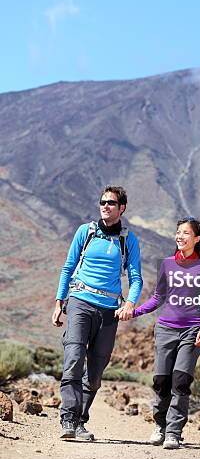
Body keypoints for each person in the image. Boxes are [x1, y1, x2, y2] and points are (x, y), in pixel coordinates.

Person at [52, 185, 143, 441]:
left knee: (94, 373)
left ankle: (81, 420)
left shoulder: (128, 240)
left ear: (121, 208)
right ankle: (68, 419)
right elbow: (68, 266)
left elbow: (136, 278)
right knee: (73, 359)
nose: (105, 206)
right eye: (102, 202)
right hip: (80, 302)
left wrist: (130, 303)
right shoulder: (86, 232)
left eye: (111, 203)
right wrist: (59, 302)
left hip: (109, 311)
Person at [124, 216, 200, 449]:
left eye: (186, 233)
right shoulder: (166, 264)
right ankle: (160, 426)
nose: (180, 236)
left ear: (196, 238)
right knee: (161, 380)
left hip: (192, 330)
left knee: (181, 380)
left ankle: (174, 432)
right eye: (178, 232)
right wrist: (133, 312)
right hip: (165, 329)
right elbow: (157, 297)